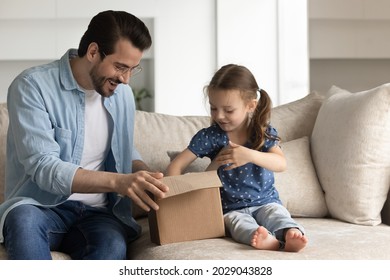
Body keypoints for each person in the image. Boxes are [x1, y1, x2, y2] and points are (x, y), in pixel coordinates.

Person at [0, 10, 169, 260]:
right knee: (23, 221)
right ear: (93, 52)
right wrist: (119, 181)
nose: (125, 79)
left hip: (98, 214)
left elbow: (122, 148)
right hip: (40, 207)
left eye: (133, 69)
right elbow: (44, 168)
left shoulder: (122, 95)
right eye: (120, 67)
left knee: (112, 245)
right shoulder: (31, 86)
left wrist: (143, 174)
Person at [166, 64, 308, 252]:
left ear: (251, 106)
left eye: (228, 110)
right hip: (230, 208)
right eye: (213, 108)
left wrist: (249, 154)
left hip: (266, 201)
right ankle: (263, 239)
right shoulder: (210, 136)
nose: (219, 116)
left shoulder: (261, 133)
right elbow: (175, 167)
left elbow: (280, 163)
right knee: (238, 225)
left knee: (277, 215)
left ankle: (290, 234)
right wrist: (181, 197)